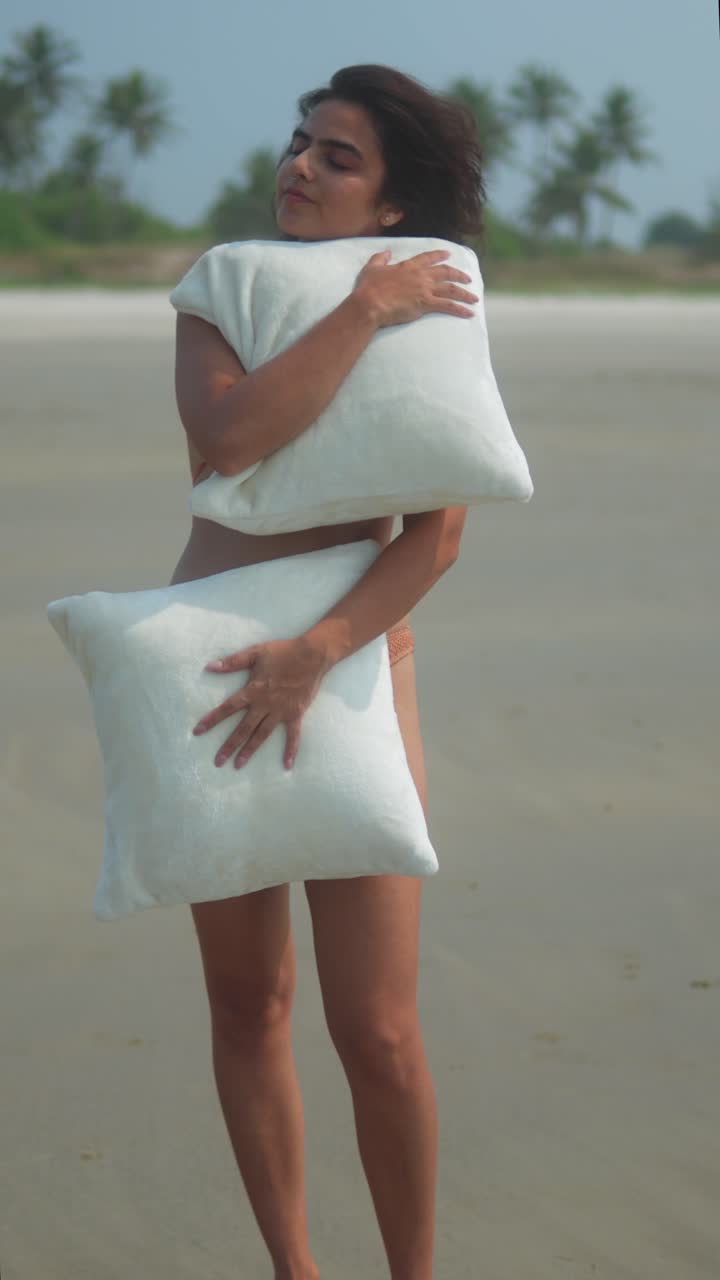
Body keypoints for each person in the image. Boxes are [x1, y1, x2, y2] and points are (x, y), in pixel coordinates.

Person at [170, 63, 485, 1280]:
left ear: (393, 203)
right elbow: (230, 439)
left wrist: (318, 654)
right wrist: (361, 310)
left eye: (337, 156)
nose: (299, 166)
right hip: (207, 660)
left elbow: (437, 534)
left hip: (353, 663)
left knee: (381, 1028)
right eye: (300, 142)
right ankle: (296, 1270)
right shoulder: (224, 287)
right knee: (248, 1003)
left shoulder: (443, 310)